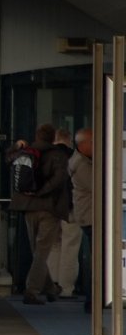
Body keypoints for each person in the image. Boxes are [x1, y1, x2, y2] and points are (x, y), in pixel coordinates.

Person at [11, 123, 70, 305]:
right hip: (49, 207)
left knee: (38, 251)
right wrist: (43, 191)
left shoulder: (24, 151)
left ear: (36, 135)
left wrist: (15, 147)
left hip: (28, 207)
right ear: (53, 138)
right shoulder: (58, 155)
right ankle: (32, 291)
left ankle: (50, 288)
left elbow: (9, 160)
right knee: (41, 252)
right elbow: (60, 178)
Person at [47, 128, 81, 299]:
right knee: (70, 247)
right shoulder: (75, 156)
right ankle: (66, 287)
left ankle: (53, 284)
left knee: (53, 246)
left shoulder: (46, 156)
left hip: (50, 208)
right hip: (71, 208)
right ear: (69, 140)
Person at [68, 128, 94, 313]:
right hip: (91, 216)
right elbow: (97, 185)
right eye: (93, 142)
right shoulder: (82, 165)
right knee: (95, 261)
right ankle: (92, 300)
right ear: (83, 144)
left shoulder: (80, 161)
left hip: (87, 215)